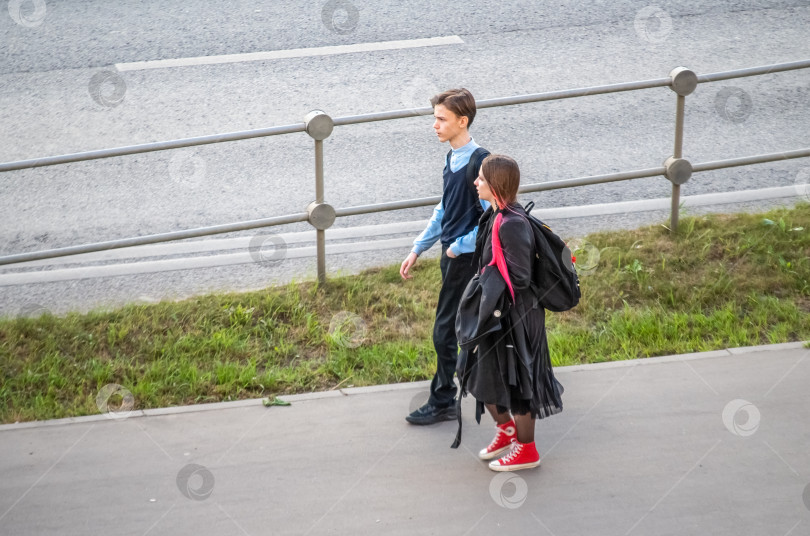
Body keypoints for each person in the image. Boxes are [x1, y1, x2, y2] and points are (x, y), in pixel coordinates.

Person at [463, 154, 563, 471]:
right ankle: (507, 432)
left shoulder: (513, 224)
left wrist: (484, 283)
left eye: (480, 178)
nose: (475, 182)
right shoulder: (495, 216)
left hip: (517, 316)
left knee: (520, 382)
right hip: (497, 311)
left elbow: (519, 277)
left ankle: (527, 450)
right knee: (479, 373)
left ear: (495, 185)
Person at [401, 88, 490, 425]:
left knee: (447, 332)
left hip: (465, 261)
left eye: (441, 119)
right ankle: (487, 391)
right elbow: (444, 209)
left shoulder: (481, 162)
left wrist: (458, 247)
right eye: (435, 118)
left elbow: (492, 218)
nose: (434, 125)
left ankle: (443, 401)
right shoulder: (453, 158)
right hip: (450, 257)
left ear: (462, 121)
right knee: (463, 330)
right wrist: (418, 247)